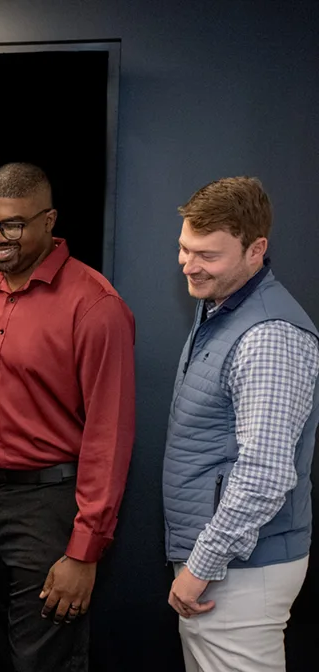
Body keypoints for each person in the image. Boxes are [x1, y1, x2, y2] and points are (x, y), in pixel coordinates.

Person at [0, 162, 135, 671]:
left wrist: (84, 551)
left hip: (50, 508)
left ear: (49, 221)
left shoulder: (95, 305)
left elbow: (109, 436)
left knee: (41, 663)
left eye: (12, 225)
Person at [163, 177, 317, 672]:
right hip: (230, 568)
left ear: (256, 250)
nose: (188, 265)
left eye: (207, 255)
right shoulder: (221, 306)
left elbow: (265, 474)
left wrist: (200, 566)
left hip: (241, 572)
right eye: (185, 248)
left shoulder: (267, 335)